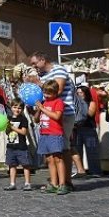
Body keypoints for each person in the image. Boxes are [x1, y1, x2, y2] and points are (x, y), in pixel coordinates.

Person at [29, 52, 81, 181]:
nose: (34, 66)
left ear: (42, 60)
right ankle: (56, 181)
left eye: (34, 63)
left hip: (63, 114)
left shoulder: (59, 70)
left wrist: (39, 83)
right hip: (47, 115)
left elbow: (57, 90)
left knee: (63, 147)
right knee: (53, 151)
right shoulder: (43, 75)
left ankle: (66, 181)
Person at [36, 80, 68, 195]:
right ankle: (54, 184)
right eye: (45, 92)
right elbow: (36, 119)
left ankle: (62, 184)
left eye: (49, 93)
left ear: (55, 93)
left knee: (58, 158)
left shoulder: (58, 102)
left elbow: (57, 116)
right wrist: (39, 109)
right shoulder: (44, 103)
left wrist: (43, 108)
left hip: (54, 133)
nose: (46, 95)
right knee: (49, 160)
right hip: (44, 134)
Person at [70, 84, 102, 177]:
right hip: (77, 129)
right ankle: (80, 171)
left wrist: (82, 104)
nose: (79, 94)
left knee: (92, 150)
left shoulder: (90, 103)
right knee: (77, 150)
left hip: (88, 129)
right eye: (78, 93)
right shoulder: (75, 104)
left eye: (81, 93)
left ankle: (95, 171)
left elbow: (90, 114)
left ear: (85, 93)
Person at [3, 99, 32, 191]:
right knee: (12, 165)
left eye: (19, 108)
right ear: (11, 108)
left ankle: (27, 183)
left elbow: (24, 132)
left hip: (21, 147)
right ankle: (12, 184)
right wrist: (7, 127)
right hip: (11, 147)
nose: (17, 109)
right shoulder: (9, 119)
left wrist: (12, 127)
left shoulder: (23, 119)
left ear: (22, 109)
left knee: (25, 165)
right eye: (15, 107)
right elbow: (7, 132)